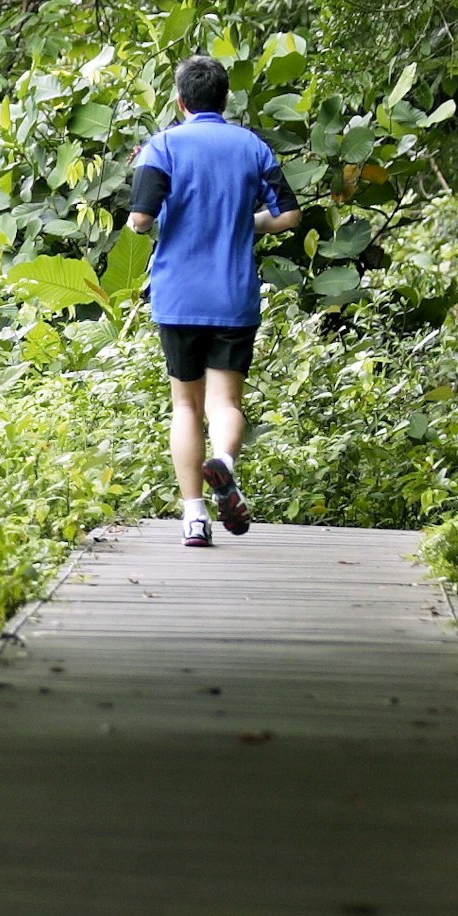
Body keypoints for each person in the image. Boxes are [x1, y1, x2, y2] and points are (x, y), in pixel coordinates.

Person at [126, 52, 305, 548]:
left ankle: (194, 519)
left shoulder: (161, 147)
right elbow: (289, 215)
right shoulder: (251, 146)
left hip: (178, 297)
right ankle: (223, 463)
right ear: (224, 99)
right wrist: (246, 223)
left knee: (186, 405)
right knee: (225, 400)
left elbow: (141, 219)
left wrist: (136, 218)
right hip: (233, 295)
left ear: (180, 100)